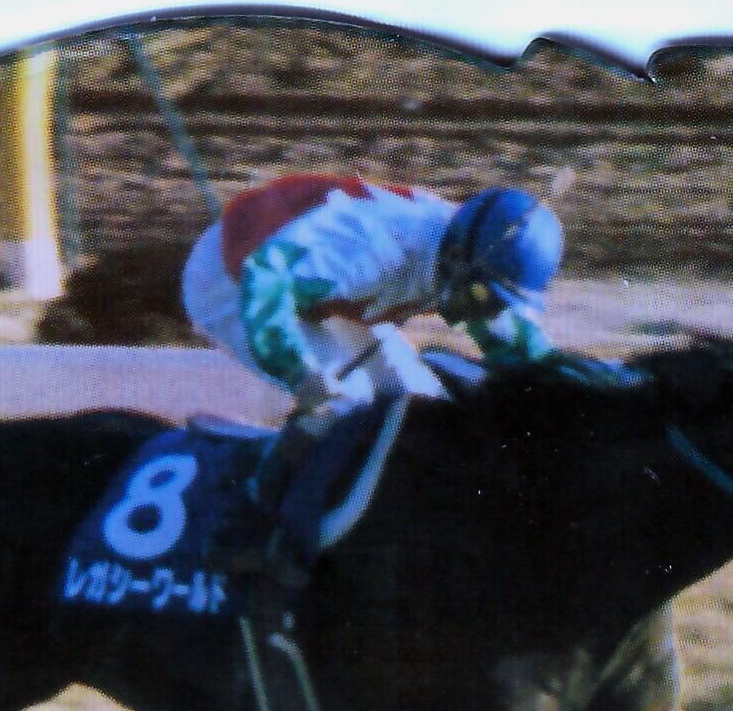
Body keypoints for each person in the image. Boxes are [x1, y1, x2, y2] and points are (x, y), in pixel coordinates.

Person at [181, 175, 566, 582]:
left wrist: (578, 384)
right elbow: (265, 277)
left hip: (325, 288)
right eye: (484, 300)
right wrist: (296, 369)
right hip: (237, 279)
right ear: (455, 258)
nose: (486, 315)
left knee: (419, 405)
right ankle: (250, 523)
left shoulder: (470, 260)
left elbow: (521, 348)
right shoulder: (375, 248)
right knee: (343, 406)